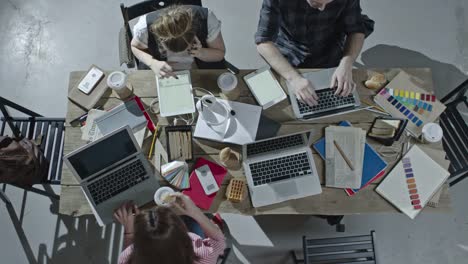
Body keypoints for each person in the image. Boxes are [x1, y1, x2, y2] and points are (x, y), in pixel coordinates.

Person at [255, 0, 374, 106]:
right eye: (317, 2)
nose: (322, 8)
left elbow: (356, 31)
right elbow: (263, 43)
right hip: (289, 53)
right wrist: (294, 79)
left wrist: (346, 64)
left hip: (329, 51)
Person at [114, 193, 226, 264]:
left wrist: (129, 231)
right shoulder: (203, 256)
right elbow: (219, 241)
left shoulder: (126, 259)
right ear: (182, 233)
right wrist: (196, 212)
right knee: (194, 221)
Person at [131, 5, 226, 78]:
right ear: (160, 38)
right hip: (162, 73)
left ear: (194, 34)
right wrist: (152, 63)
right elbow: (134, 47)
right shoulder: (144, 28)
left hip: (199, 72)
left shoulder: (207, 19)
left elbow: (220, 54)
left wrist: (202, 52)